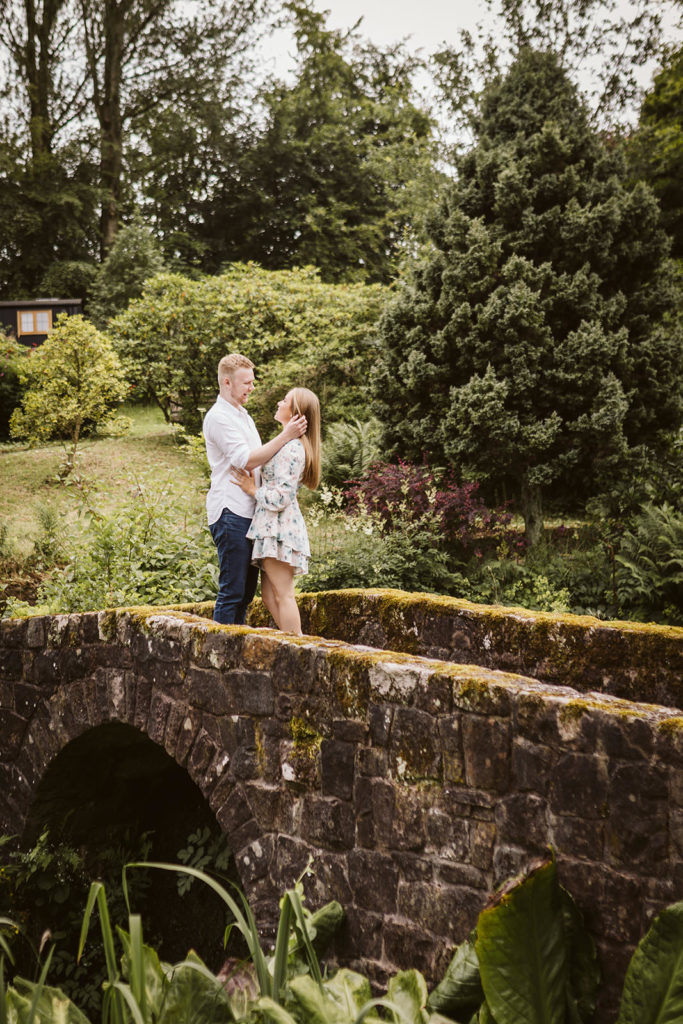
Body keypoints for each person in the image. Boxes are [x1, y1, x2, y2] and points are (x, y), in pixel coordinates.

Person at [203, 353, 307, 625]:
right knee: (233, 590)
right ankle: (221, 655)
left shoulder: (243, 416)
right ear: (227, 382)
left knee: (246, 594)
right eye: (246, 383)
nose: (252, 387)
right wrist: (286, 435)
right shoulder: (218, 418)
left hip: (251, 512)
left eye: (252, 381)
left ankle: (234, 652)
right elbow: (245, 460)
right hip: (231, 511)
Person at [232, 387, 321, 636]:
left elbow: (282, 496)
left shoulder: (293, 449)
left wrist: (252, 490)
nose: (280, 402)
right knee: (270, 597)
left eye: (286, 400)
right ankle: (295, 646)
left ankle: (301, 651)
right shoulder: (286, 445)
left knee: (283, 595)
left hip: (279, 529)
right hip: (271, 527)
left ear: (296, 413)